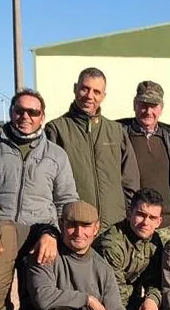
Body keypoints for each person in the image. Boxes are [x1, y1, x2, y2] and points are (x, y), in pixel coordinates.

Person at [0, 88, 78, 230]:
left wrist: (54, 234)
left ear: (42, 117)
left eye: (33, 112)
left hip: (39, 235)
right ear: (11, 112)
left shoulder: (57, 155)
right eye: (20, 111)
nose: (25, 116)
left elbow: (66, 200)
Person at [44, 67, 139, 229]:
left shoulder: (116, 131)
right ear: (75, 88)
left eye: (96, 91)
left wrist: (128, 217)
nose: (89, 96)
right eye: (85, 89)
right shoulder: (56, 129)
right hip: (76, 227)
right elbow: (47, 182)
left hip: (114, 227)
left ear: (103, 96)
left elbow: (130, 180)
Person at [95, 188, 168, 310]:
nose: (146, 222)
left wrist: (152, 299)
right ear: (129, 213)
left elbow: (156, 280)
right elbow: (114, 296)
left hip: (132, 304)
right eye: (141, 214)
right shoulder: (112, 243)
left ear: (159, 221)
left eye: (152, 218)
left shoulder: (154, 241)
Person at [116, 81, 170, 231]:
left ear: (161, 108)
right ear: (135, 105)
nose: (148, 111)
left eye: (153, 106)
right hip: (132, 225)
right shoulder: (117, 137)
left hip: (169, 225)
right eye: (143, 105)